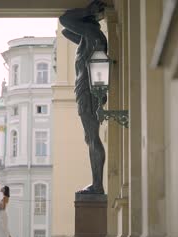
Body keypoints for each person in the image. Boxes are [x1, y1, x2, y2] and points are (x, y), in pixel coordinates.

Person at [59, 0, 107, 194]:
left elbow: (65, 20)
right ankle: (96, 183)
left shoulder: (94, 35)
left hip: (89, 90)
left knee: (93, 137)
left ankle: (97, 185)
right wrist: (86, 18)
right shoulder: (87, 37)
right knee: (90, 137)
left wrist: (88, 12)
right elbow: (66, 31)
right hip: (85, 89)